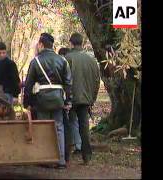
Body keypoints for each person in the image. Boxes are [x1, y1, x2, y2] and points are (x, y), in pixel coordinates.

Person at [23, 33, 72, 169]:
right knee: (59, 127)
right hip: (57, 98)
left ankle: (46, 159)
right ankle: (61, 160)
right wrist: (68, 101)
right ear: (52, 45)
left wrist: (26, 103)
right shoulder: (62, 61)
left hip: (42, 99)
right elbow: (68, 83)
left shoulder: (36, 61)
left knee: (43, 127)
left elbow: (28, 84)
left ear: (41, 45)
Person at [65, 32, 100, 165]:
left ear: (71, 43)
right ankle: (87, 156)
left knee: (68, 126)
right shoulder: (91, 59)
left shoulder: (67, 58)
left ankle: (66, 156)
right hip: (86, 99)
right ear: (83, 43)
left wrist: (65, 98)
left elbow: (64, 80)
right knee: (84, 128)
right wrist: (93, 98)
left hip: (71, 99)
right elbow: (97, 81)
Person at [58, 47, 82, 165]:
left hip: (67, 98)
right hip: (79, 97)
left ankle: (71, 147)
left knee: (67, 124)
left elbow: (66, 84)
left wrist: (67, 101)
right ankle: (78, 145)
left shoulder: (62, 64)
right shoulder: (78, 63)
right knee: (75, 122)